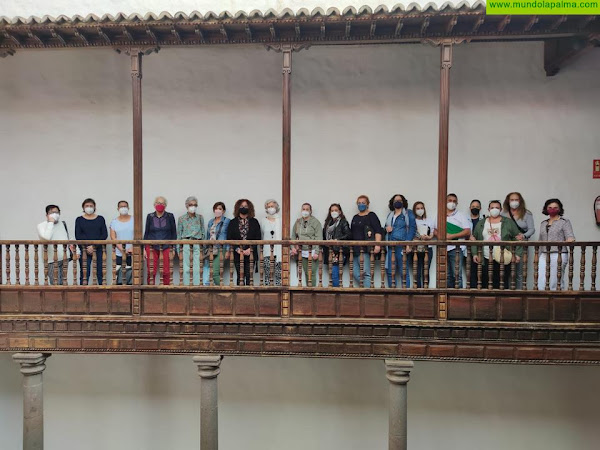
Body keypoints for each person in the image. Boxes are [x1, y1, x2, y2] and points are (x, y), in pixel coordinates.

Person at [471, 200, 522, 289]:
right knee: (485, 282)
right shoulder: (481, 223)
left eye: (497, 208)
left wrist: (517, 254)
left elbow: (518, 238)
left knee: (502, 282)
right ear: (488, 209)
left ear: (501, 209)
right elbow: (473, 238)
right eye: (492, 208)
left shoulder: (508, 222)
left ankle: (502, 302)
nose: (494, 209)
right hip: (486, 257)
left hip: (503, 258)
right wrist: (475, 253)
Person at [537, 198, 575, 290]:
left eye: (555, 207)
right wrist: (538, 255)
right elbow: (540, 240)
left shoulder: (564, 222)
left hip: (558, 253)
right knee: (541, 279)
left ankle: (557, 301)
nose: (552, 209)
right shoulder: (543, 223)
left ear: (559, 209)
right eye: (550, 207)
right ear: (546, 209)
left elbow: (570, 236)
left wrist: (570, 240)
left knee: (555, 280)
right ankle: (542, 299)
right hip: (544, 254)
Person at [502, 192, 535, 289]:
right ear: (508, 201)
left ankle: (519, 293)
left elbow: (532, 229)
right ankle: (508, 293)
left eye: (516, 200)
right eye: (512, 200)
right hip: (507, 247)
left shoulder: (527, 213)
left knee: (520, 272)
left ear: (520, 201)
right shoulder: (503, 214)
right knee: (507, 271)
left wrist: (524, 236)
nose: (514, 202)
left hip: (522, 246)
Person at [37, 204, 76, 285]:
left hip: (65, 257)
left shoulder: (63, 224)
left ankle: (63, 298)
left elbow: (69, 238)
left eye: (57, 212)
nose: (55, 214)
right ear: (47, 215)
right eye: (52, 212)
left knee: (63, 282)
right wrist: (50, 223)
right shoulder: (41, 226)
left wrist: (76, 251)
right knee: (55, 283)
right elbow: (46, 238)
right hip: (51, 259)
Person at [384, 194, 416, 288]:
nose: (397, 201)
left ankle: (406, 294)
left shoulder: (408, 213)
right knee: (390, 271)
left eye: (400, 200)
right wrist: (387, 228)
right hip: (390, 245)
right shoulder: (390, 215)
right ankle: (392, 293)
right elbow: (386, 227)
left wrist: (408, 243)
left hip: (401, 245)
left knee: (403, 272)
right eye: (395, 200)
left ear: (403, 202)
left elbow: (412, 228)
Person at [350, 195, 382, 288]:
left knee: (366, 274)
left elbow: (378, 231)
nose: (361, 205)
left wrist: (377, 244)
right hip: (355, 249)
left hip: (365, 249)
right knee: (356, 273)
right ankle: (365, 291)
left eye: (363, 203)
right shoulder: (355, 217)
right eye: (359, 203)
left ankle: (370, 297)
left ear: (367, 204)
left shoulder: (371, 216)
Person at [227, 199, 261, 285]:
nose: (243, 208)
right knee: (240, 276)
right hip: (238, 254)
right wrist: (238, 249)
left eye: (246, 206)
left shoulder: (254, 222)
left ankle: (249, 297)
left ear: (249, 208)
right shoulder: (232, 222)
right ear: (237, 208)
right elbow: (229, 238)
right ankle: (239, 297)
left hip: (251, 253)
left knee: (249, 276)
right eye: (241, 206)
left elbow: (258, 238)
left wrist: (250, 249)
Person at [144, 196, 176, 285]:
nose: (160, 205)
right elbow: (146, 232)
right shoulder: (150, 216)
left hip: (167, 246)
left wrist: (173, 248)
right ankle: (150, 291)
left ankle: (166, 290)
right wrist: (144, 248)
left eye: (162, 203)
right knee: (151, 271)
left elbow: (174, 233)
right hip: (151, 247)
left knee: (166, 271)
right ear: (154, 204)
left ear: (165, 205)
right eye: (158, 203)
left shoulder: (170, 216)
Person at [75, 198, 108, 285]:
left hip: (99, 248)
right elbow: (78, 235)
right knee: (85, 272)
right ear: (83, 207)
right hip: (84, 249)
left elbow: (104, 234)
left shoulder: (100, 219)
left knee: (100, 272)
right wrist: (87, 247)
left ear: (94, 207)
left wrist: (94, 246)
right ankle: (83, 291)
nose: (89, 208)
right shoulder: (79, 219)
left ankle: (103, 291)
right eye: (87, 206)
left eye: (91, 206)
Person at [443, 193, 471, 288]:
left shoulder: (461, 215)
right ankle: (448, 298)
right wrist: (442, 235)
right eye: (450, 201)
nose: (452, 203)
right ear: (445, 202)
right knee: (447, 275)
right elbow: (435, 230)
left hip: (456, 249)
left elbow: (467, 231)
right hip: (443, 248)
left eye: (454, 201)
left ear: (457, 203)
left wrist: (452, 235)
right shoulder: (440, 215)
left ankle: (459, 299)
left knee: (456, 275)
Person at [291, 203, 322, 287]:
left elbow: (319, 237)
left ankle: (313, 292)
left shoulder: (315, 222)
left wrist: (316, 251)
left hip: (312, 251)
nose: (305, 211)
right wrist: (292, 247)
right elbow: (293, 235)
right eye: (303, 209)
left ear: (310, 211)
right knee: (305, 272)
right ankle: (308, 291)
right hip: (302, 251)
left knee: (311, 273)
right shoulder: (298, 222)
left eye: (307, 209)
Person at [177, 196, 205, 286]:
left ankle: (196, 287)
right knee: (186, 268)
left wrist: (203, 248)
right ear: (186, 206)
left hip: (197, 243)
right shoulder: (181, 219)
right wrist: (178, 250)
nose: (193, 206)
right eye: (191, 205)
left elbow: (203, 233)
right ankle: (186, 287)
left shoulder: (200, 218)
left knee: (197, 268)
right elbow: (178, 235)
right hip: (186, 244)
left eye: (195, 205)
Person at [408, 201, 437, 288]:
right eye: (417, 208)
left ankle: (426, 289)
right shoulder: (412, 221)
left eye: (421, 208)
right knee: (416, 271)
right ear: (414, 210)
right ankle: (417, 290)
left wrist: (428, 237)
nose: (420, 210)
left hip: (427, 249)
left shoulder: (429, 220)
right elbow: (410, 234)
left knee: (426, 270)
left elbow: (432, 233)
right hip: (415, 249)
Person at [322, 203, 351, 287]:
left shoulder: (343, 222)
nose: (334, 212)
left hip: (339, 251)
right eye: (332, 210)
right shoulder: (328, 223)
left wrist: (337, 240)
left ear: (340, 212)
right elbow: (324, 236)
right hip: (329, 251)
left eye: (336, 210)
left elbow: (348, 235)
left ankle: (337, 293)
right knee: (332, 274)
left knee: (335, 274)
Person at [203, 202, 230, 286]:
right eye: (216, 209)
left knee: (214, 272)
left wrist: (228, 250)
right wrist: (205, 249)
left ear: (223, 211)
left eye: (220, 209)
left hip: (222, 248)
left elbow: (229, 236)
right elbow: (208, 236)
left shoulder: (227, 221)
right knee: (211, 273)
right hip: (211, 249)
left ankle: (224, 291)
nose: (217, 210)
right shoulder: (211, 222)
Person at [109, 200, 134, 285]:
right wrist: (122, 249)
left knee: (131, 275)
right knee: (118, 275)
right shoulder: (114, 222)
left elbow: (138, 234)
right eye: (121, 206)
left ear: (128, 208)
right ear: (118, 208)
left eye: (125, 206)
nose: (123, 208)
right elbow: (113, 237)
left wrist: (132, 248)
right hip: (118, 252)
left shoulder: (134, 220)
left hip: (132, 252)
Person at [261, 199, 282, 286]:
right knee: (268, 273)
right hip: (267, 250)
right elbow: (262, 235)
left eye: (272, 206)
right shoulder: (263, 220)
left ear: (276, 207)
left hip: (279, 250)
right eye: (268, 207)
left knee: (279, 274)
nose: (270, 208)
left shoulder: (281, 220)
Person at [468, 199, 483, 288]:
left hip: (480, 250)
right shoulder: (465, 219)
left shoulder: (484, 220)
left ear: (480, 208)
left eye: (477, 207)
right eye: (473, 207)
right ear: (469, 208)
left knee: (481, 271)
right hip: (468, 249)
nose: (475, 208)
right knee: (471, 272)